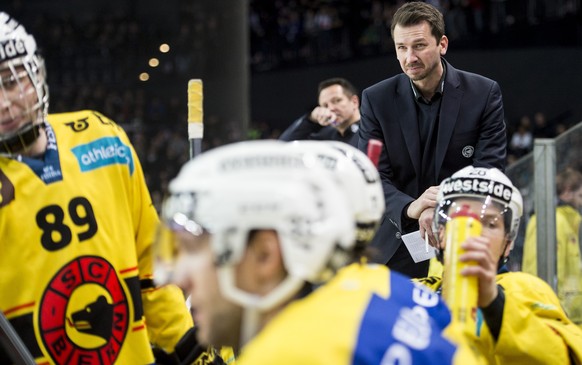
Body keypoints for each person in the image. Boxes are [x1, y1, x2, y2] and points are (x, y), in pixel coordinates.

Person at [155, 140, 487, 364]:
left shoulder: (291, 352)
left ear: (265, 255)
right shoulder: (387, 293)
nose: (176, 276)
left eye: (194, 250)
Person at [0, 12, 200, 364]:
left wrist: (188, 345)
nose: (3, 103)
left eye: (11, 81)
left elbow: (151, 266)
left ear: (38, 73)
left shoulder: (103, 138)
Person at [357, 1, 507, 278]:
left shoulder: (483, 93)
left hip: (462, 233)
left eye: (419, 45)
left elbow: (488, 171)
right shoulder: (375, 99)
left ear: (443, 44)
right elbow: (372, 175)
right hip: (395, 241)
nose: (409, 57)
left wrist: (441, 208)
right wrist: (412, 207)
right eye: (401, 48)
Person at [417, 166, 582, 364]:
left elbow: (567, 357)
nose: (474, 232)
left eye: (490, 223)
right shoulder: (412, 290)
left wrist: (495, 305)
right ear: (440, 234)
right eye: (459, 220)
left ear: (508, 241)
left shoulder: (529, 289)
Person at [522, 167, 582, 328]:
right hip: (556, 316)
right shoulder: (549, 220)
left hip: (572, 316)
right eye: (580, 195)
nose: (581, 202)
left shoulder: (570, 222)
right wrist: (549, 309)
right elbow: (538, 269)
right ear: (566, 193)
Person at [279, 77, 360, 146]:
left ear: (354, 102)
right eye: (325, 105)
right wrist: (311, 120)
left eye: (336, 100)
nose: (330, 108)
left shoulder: (370, 128)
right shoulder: (326, 136)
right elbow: (285, 146)